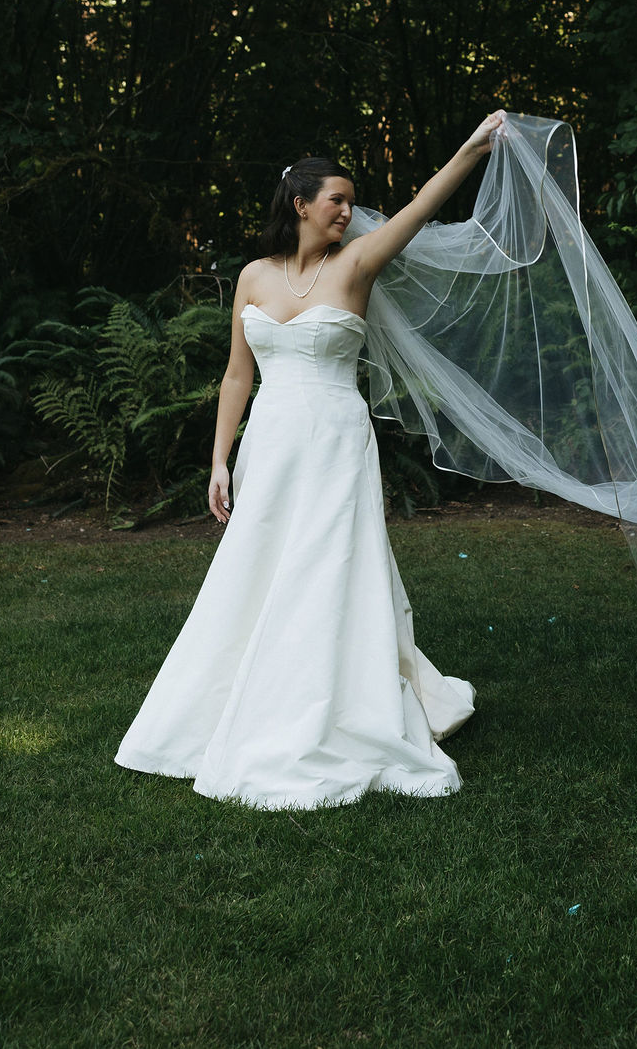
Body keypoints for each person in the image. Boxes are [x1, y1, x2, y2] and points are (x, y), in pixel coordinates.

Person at [114, 111, 505, 809]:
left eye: (351, 202)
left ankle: (335, 708)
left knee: (327, 568)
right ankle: (236, 702)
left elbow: (419, 207)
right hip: (272, 439)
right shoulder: (254, 277)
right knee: (258, 569)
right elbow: (238, 375)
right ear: (300, 205)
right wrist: (219, 459)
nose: (349, 211)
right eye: (337, 200)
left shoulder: (356, 263)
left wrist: (473, 148)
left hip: (333, 441)